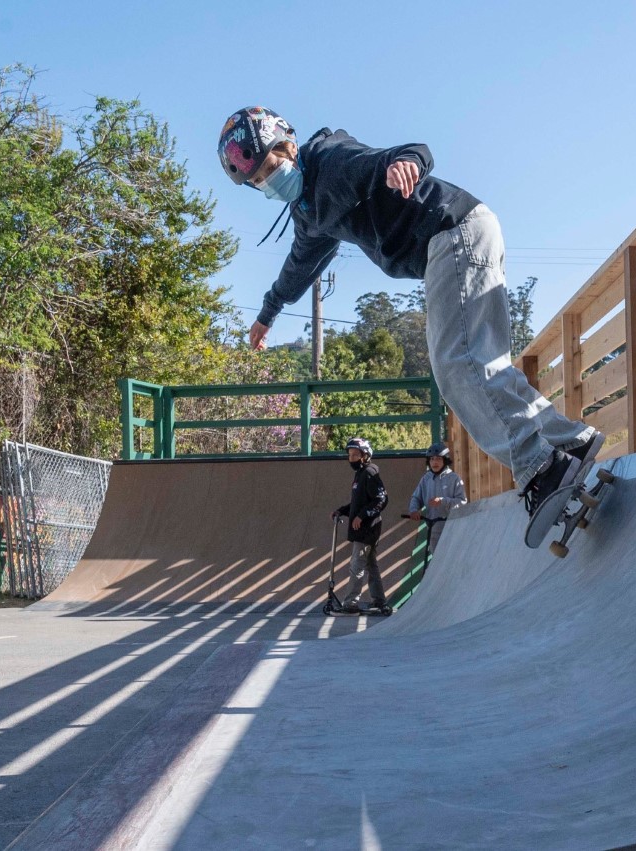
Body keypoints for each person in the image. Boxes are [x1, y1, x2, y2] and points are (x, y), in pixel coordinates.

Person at [217, 107, 604, 518]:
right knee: (485, 366)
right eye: (257, 182)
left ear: (288, 146)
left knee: (456, 365)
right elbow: (299, 264)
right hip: (465, 232)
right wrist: (268, 312)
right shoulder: (309, 211)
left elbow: (408, 151)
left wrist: (406, 164)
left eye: (268, 169)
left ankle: (541, 467)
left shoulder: (329, 160)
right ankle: (571, 441)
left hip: (451, 232)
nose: (266, 183)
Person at [332, 437, 388, 614]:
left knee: (357, 565)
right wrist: (342, 510)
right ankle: (379, 601)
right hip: (362, 528)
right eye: (350, 455)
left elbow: (381, 499)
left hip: (368, 529)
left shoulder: (370, 473)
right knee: (371, 565)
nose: (352, 458)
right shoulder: (360, 474)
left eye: (356, 455)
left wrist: (362, 517)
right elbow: (358, 503)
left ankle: (350, 604)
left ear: (365, 456)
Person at [407, 443, 467, 556]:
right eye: (432, 459)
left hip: (450, 525)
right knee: (435, 557)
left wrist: (443, 501)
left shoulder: (454, 478)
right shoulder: (426, 479)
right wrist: (414, 510)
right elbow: (416, 497)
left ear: (445, 460)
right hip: (432, 525)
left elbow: (462, 502)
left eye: (438, 459)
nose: (435, 462)